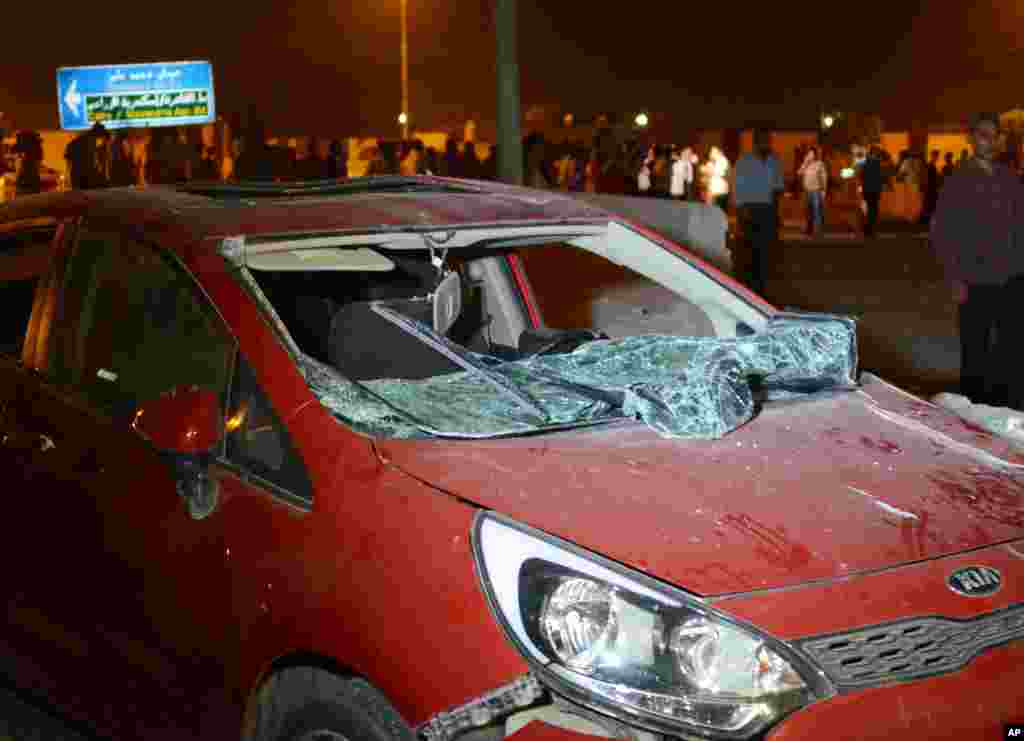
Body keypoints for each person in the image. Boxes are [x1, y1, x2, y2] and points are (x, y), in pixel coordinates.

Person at [930, 111, 1024, 409]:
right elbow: (943, 233)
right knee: (976, 345)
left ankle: (1006, 402)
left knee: (1011, 343)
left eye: (994, 135)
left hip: (1012, 275)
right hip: (975, 277)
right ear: (972, 139)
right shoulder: (958, 180)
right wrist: (955, 278)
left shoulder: (1009, 178)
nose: (989, 141)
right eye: (983, 134)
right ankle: (976, 405)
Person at [733, 129, 784, 296]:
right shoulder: (744, 161)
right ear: (755, 142)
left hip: (767, 210)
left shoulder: (774, 161)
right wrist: (741, 213)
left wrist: (776, 213)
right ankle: (749, 289)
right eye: (762, 140)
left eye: (767, 140)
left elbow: (778, 189)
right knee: (750, 251)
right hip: (750, 210)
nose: (766, 144)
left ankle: (761, 289)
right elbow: (738, 189)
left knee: (765, 252)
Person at [798, 146, 828, 236]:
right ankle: (809, 229)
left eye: (811, 154)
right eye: (808, 154)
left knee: (816, 211)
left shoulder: (820, 164)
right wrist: (805, 163)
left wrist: (823, 190)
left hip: (816, 191)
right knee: (808, 211)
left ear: (815, 155)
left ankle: (818, 230)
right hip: (807, 190)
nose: (810, 155)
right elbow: (799, 173)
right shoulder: (806, 164)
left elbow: (824, 177)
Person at [859, 146, 884, 237]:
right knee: (873, 210)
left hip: (866, 189)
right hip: (874, 190)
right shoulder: (878, 163)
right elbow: (880, 177)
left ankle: (866, 229)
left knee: (867, 210)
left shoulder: (864, 162)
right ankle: (871, 230)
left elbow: (861, 175)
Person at [13, 130, 44, 196]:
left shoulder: (25, 150)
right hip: (32, 179)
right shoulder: (37, 149)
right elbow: (38, 163)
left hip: (26, 180)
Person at [921, 149, 941, 225]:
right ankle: (926, 221)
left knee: (930, 205)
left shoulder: (931, 165)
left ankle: (927, 220)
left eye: (937, 156)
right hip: (930, 188)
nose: (937, 158)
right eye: (936, 156)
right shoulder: (930, 165)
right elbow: (929, 178)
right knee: (929, 205)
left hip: (931, 188)